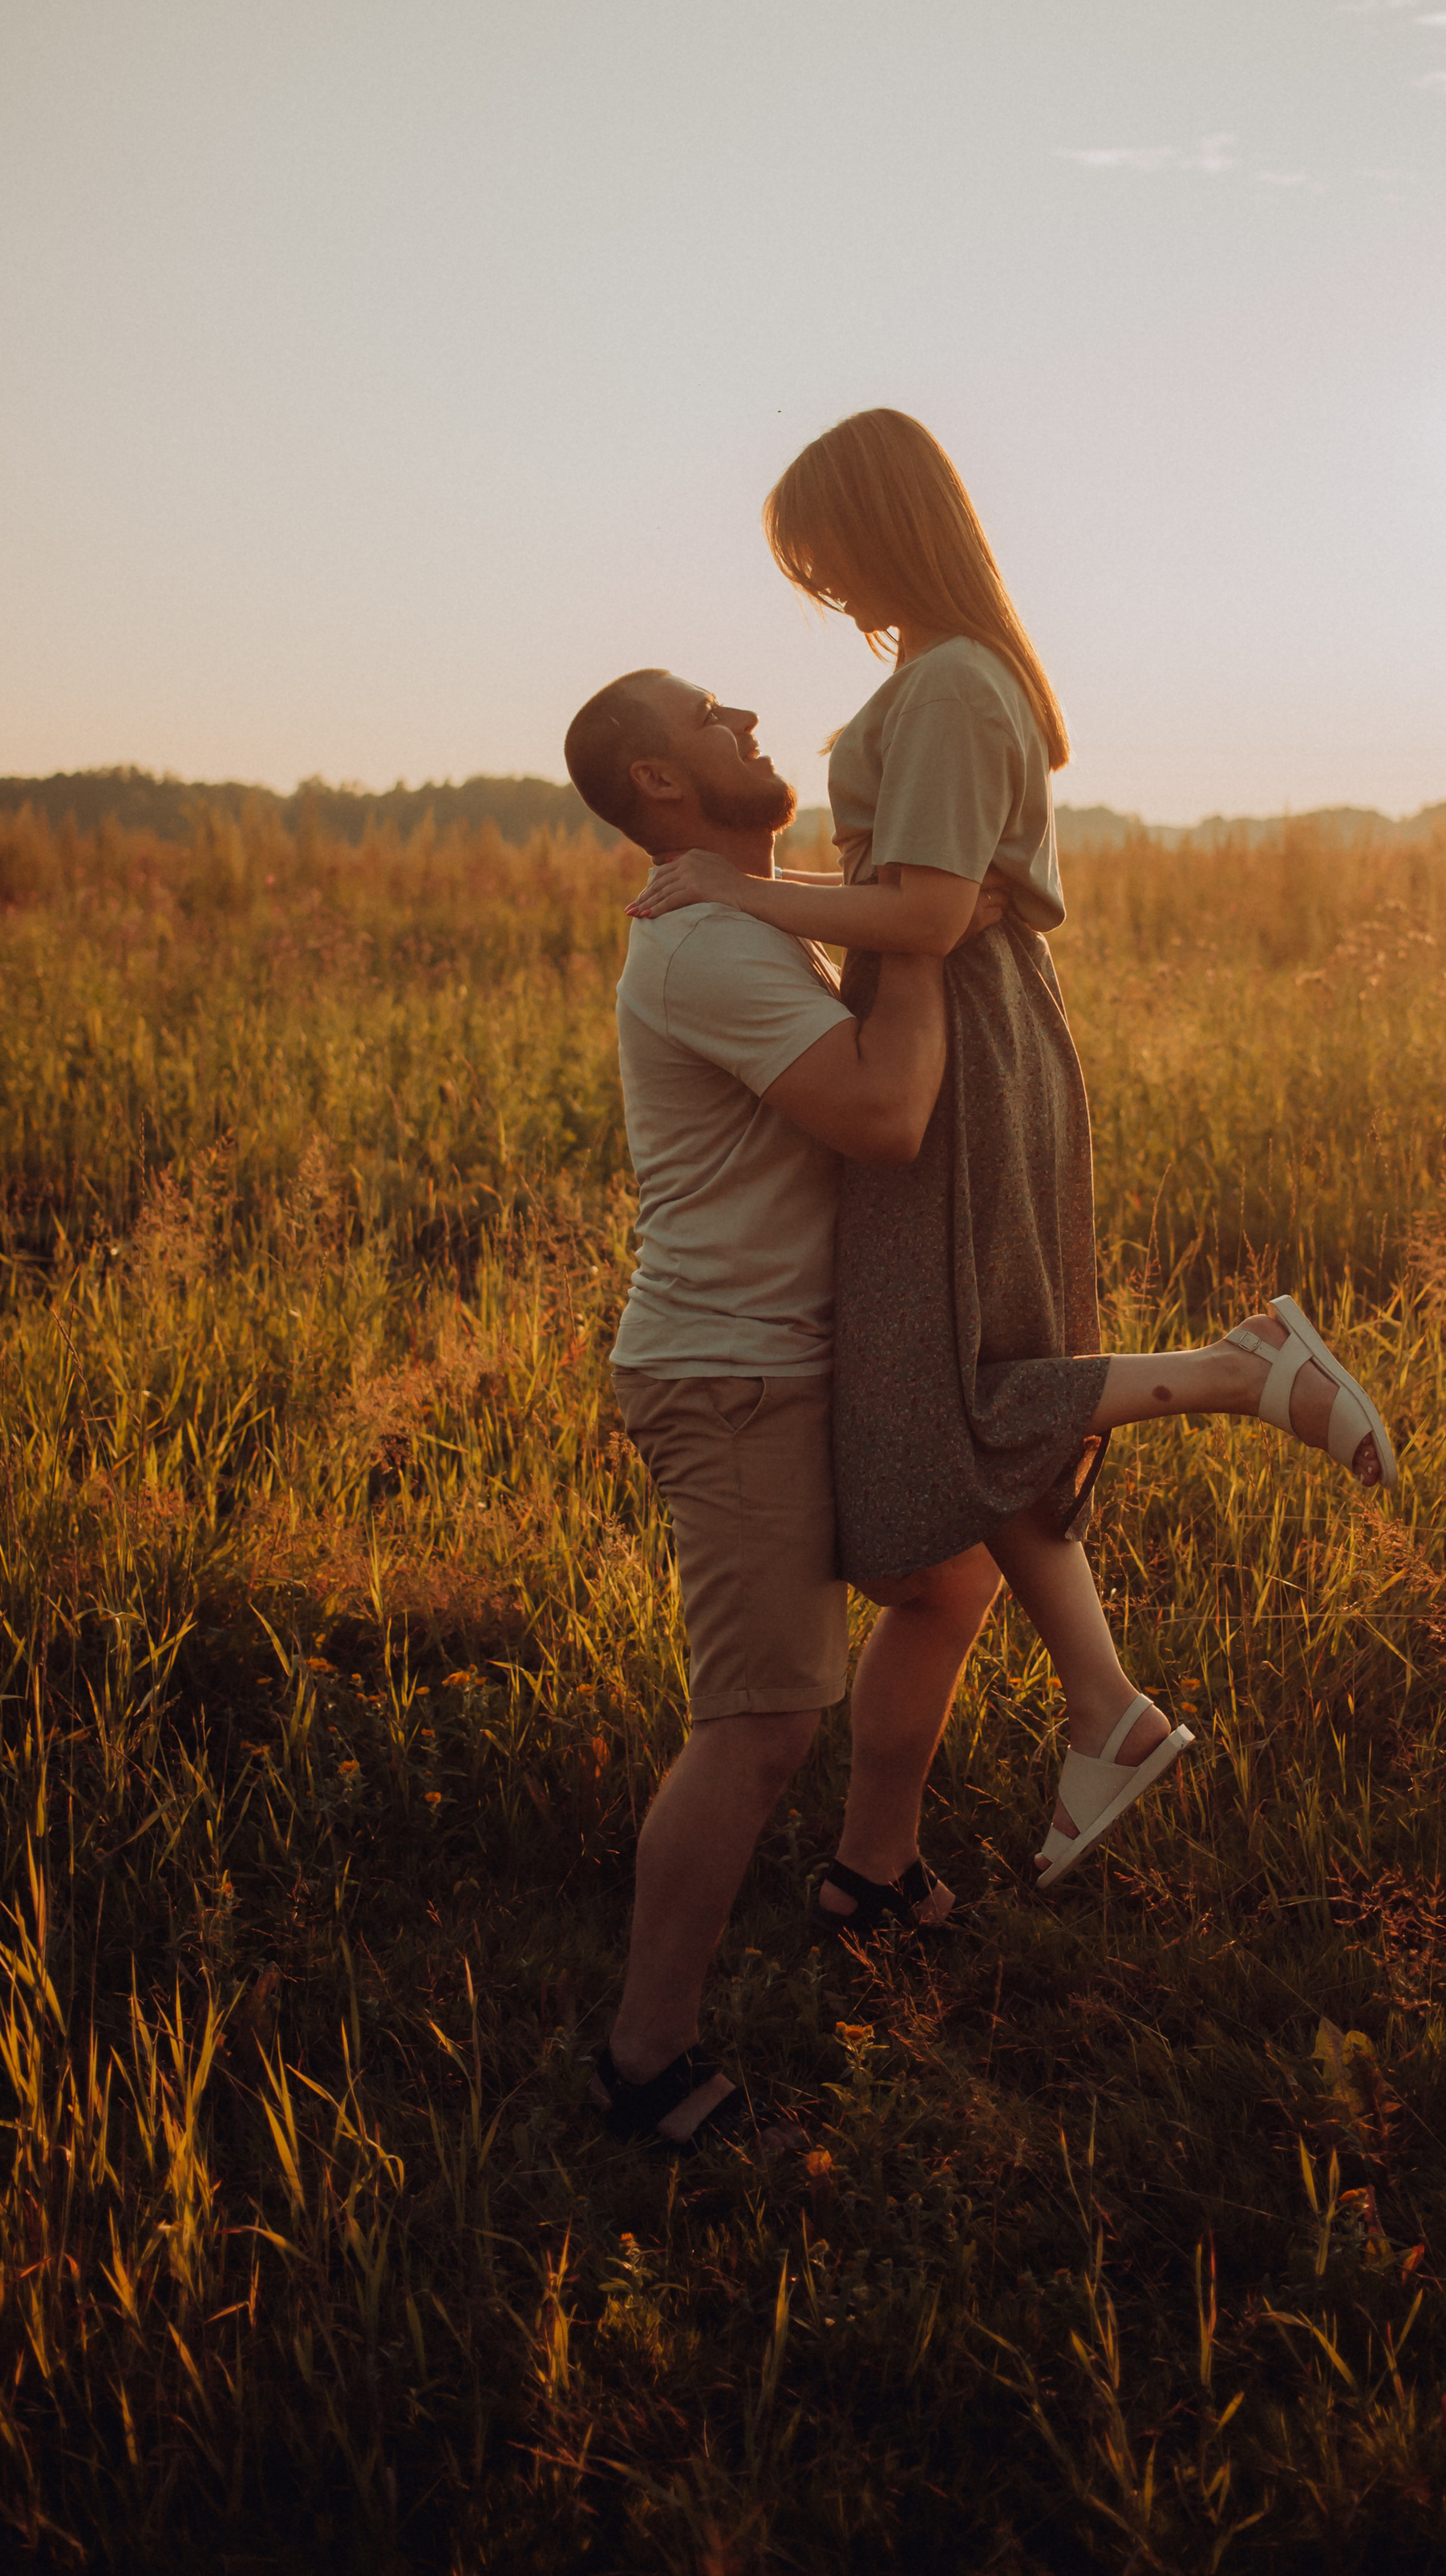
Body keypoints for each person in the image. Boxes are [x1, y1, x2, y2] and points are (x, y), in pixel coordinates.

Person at [629, 407, 1397, 1890]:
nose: (826, 593)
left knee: (956, 1402)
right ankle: (1070, 1732)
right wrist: (802, 896)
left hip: (961, 1048)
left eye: (824, 557)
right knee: (956, 1426)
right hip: (959, 1026)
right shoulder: (942, 677)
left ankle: (1248, 1371)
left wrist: (739, 896)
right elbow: (928, 900)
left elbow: (923, 915)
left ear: (882, 525)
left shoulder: (957, 686)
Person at [562, 665, 1009, 2150]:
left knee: (947, 1577)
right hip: (733, 1370)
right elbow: (885, 1118)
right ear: (658, 785)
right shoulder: (703, 945)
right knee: (757, 1727)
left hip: (805, 1354)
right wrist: (927, 941)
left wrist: (884, 913)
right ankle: (647, 2064)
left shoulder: (751, 917)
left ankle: (870, 1875)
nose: (745, 718)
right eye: (707, 716)